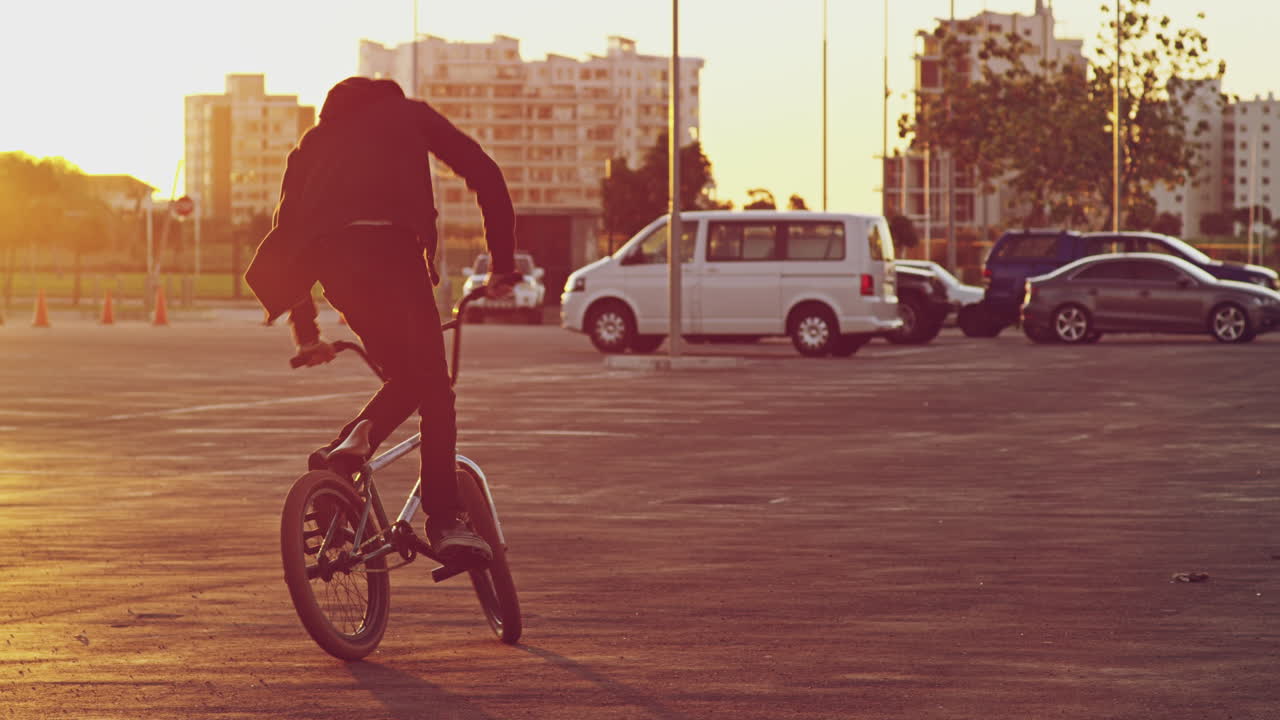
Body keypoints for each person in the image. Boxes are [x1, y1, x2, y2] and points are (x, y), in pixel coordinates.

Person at [245, 76, 520, 568]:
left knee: (410, 377)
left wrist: (308, 334)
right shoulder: (408, 114)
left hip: (339, 270)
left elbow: (290, 237)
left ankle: (343, 456)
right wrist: (501, 263)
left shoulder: (313, 143)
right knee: (435, 387)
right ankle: (445, 518)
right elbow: (485, 173)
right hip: (393, 258)